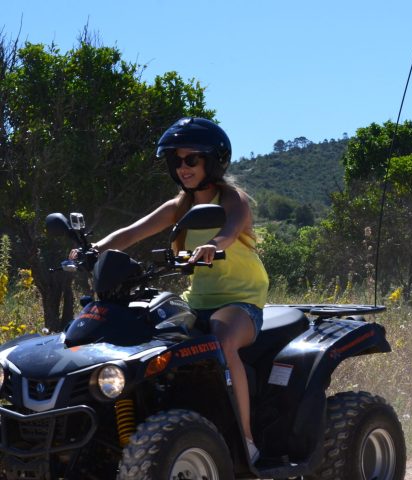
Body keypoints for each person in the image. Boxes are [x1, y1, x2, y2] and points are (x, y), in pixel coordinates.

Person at [76, 117, 268, 463]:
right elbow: (131, 233)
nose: (183, 167)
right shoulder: (180, 206)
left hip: (242, 302)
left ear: (212, 161)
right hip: (197, 302)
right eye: (176, 161)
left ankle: (247, 439)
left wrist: (214, 244)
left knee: (222, 339)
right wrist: (93, 249)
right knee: (151, 343)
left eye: (191, 159)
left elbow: (231, 227)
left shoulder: (233, 199)